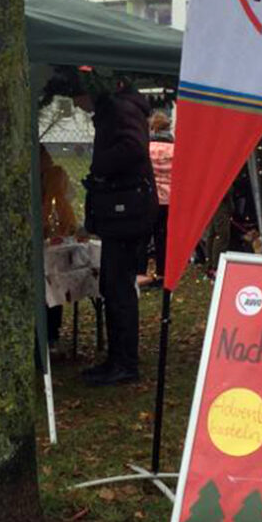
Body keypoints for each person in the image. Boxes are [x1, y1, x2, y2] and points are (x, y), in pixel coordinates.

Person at [74, 78, 158, 386]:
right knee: (114, 288)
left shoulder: (119, 110)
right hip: (123, 213)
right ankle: (117, 358)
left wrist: (100, 167)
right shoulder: (122, 109)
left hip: (126, 214)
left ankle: (124, 362)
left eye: (76, 96)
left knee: (119, 290)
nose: (75, 104)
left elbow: (132, 148)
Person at [40, 144, 78, 350]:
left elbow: (60, 209)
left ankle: (51, 331)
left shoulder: (55, 177)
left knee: (52, 280)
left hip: (55, 237)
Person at [148, 110, 174, 282]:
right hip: (169, 198)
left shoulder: (147, 148)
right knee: (163, 234)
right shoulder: (175, 148)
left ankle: (140, 270)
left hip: (150, 196)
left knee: (144, 233)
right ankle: (162, 270)